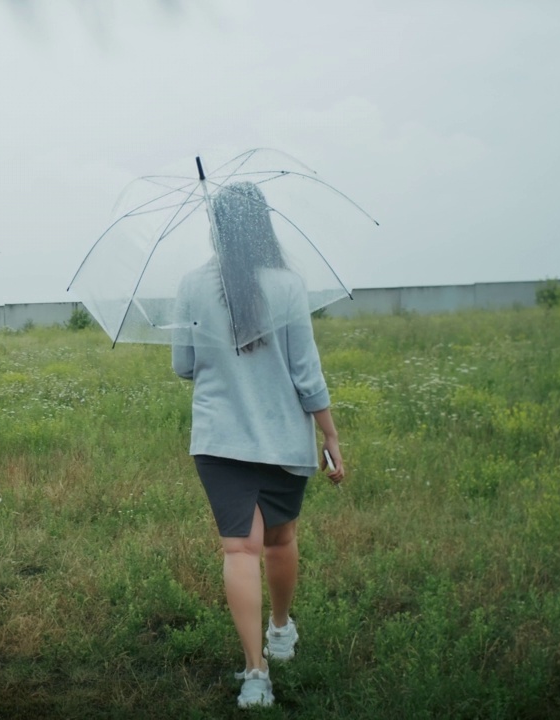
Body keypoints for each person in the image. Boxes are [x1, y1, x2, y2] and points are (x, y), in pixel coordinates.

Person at [171, 181, 345, 709]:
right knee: (279, 541)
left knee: (238, 550)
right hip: (283, 439)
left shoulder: (192, 285)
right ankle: (280, 630)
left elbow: (183, 365)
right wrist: (330, 433)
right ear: (263, 223)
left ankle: (255, 674)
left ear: (216, 227)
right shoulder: (289, 285)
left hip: (220, 440)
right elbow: (305, 372)